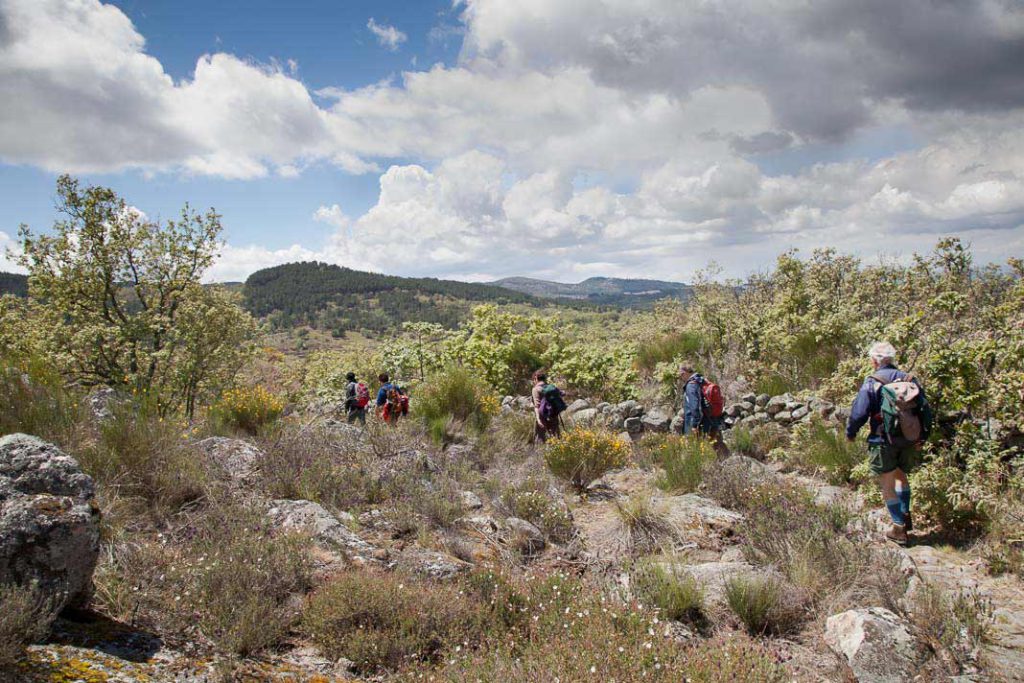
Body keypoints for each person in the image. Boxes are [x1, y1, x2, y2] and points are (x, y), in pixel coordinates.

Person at [847, 342, 930, 546]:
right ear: (891, 359)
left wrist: (851, 432)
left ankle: (898, 528)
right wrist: (922, 437)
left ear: (874, 360)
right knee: (902, 476)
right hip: (909, 439)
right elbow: (925, 410)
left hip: (882, 439)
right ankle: (905, 514)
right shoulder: (910, 379)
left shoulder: (872, 382)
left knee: (887, 482)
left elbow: (859, 412)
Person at [678, 364, 725, 452]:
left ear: (685, 373)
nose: (681, 377)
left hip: (697, 424)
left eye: (681, 374)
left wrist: (694, 425)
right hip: (709, 420)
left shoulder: (691, 385)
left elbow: (695, 407)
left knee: (692, 450)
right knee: (712, 448)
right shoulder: (701, 380)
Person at [531, 369, 563, 443]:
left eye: (534, 379)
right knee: (556, 440)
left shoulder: (536, 389)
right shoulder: (551, 387)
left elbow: (537, 406)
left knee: (540, 441)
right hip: (554, 417)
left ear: (536, 378)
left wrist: (538, 419)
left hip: (542, 417)